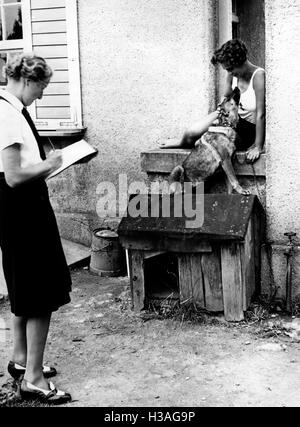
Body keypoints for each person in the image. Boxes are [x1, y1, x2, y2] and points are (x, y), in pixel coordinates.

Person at [0, 53, 72, 404]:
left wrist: (45, 164)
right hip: (23, 211)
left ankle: (19, 359)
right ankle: (33, 378)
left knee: (24, 290)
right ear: (27, 80)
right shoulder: (7, 115)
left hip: (19, 210)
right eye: (42, 87)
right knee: (40, 293)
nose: (42, 94)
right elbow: (13, 176)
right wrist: (51, 164)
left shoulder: (11, 109)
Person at [160, 39, 265, 163]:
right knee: (191, 134)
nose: (229, 72)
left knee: (211, 142)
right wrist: (229, 78)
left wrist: (258, 146)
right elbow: (226, 95)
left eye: (230, 69)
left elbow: (261, 114)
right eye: (227, 70)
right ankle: (182, 142)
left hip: (248, 130)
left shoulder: (258, 76)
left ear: (240, 61)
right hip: (233, 120)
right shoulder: (233, 74)